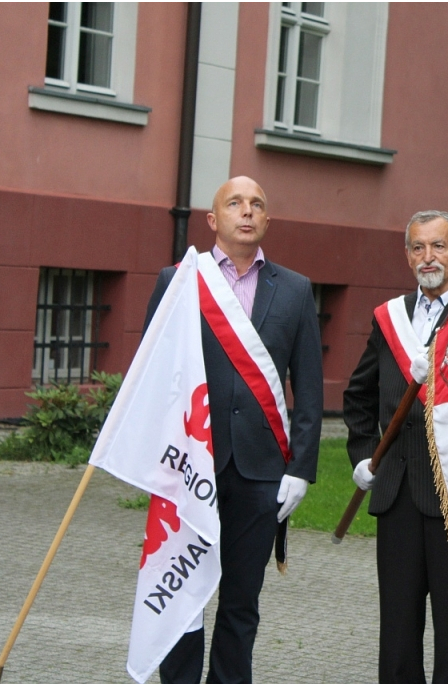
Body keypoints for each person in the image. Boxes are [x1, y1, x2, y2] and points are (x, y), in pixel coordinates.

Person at [143, 176, 324, 683]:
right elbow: (151, 375)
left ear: (267, 220)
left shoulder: (294, 288)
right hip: (189, 467)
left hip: (261, 472)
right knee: (182, 596)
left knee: (241, 601)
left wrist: (301, 469)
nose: (246, 212)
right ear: (213, 219)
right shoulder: (177, 280)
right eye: (235, 203)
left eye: (257, 205)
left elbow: (308, 390)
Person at [343, 210, 448, 683]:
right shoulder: (390, 320)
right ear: (408, 257)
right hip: (398, 494)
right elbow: (359, 397)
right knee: (399, 631)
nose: (428, 257)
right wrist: (364, 456)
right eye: (419, 248)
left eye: (439, 246)